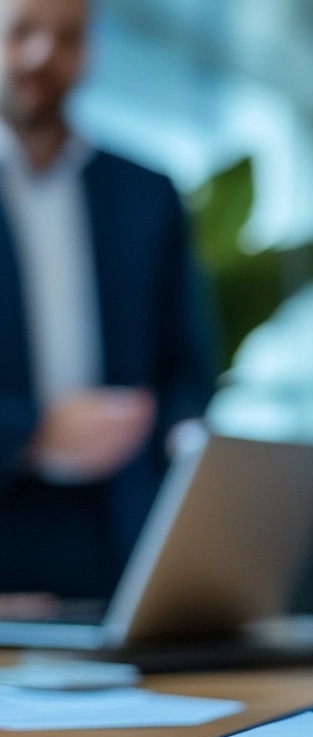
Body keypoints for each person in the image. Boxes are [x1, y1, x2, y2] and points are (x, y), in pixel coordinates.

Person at [0, 0, 215, 600]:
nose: (43, 54)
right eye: (22, 32)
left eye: (66, 37)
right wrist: (33, 434)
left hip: (117, 526)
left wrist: (181, 436)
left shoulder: (147, 193)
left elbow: (187, 363)